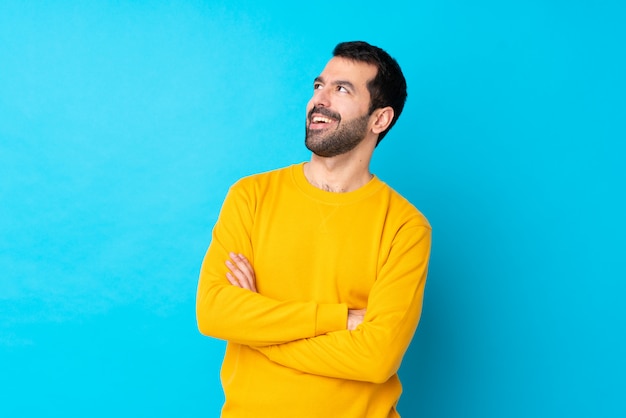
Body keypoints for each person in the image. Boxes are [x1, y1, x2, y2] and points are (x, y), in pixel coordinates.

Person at [196, 41, 432, 418]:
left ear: (379, 119)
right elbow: (213, 313)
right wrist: (338, 319)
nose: (319, 99)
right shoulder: (251, 196)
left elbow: (375, 358)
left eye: (342, 89)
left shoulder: (405, 227)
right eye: (318, 86)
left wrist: (257, 330)